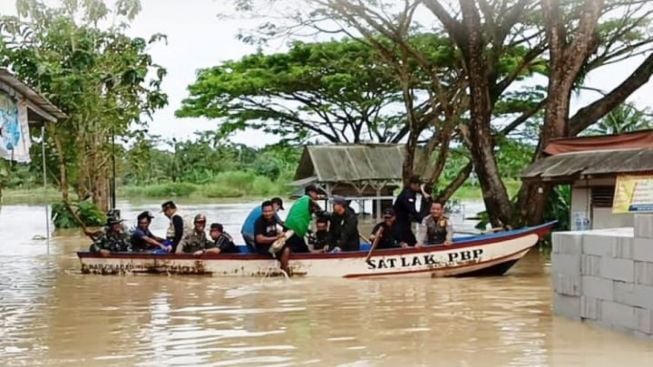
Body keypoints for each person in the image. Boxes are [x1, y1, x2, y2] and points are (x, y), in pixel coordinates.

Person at [254, 200, 291, 273]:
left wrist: (281, 234)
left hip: (273, 243)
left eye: (270, 211)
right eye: (265, 211)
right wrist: (277, 237)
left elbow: (275, 229)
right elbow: (259, 239)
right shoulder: (259, 222)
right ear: (262, 211)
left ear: (273, 211)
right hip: (263, 247)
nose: (268, 213)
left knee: (290, 245)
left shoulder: (273, 218)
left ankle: (283, 267)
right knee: (286, 249)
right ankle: (284, 269)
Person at [283, 185, 322, 253]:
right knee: (301, 251)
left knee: (295, 249)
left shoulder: (300, 200)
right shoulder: (310, 200)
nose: (316, 196)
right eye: (316, 193)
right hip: (296, 230)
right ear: (311, 192)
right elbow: (321, 212)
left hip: (287, 227)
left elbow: (300, 216)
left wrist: (308, 230)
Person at [393, 175, 426, 246]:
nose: (420, 187)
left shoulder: (412, 194)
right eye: (418, 185)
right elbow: (412, 210)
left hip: (406, 225)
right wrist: (423, 220)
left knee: (413, 242)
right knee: (411, 243)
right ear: (413, 184)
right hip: (400, 226)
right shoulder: (407, 195)